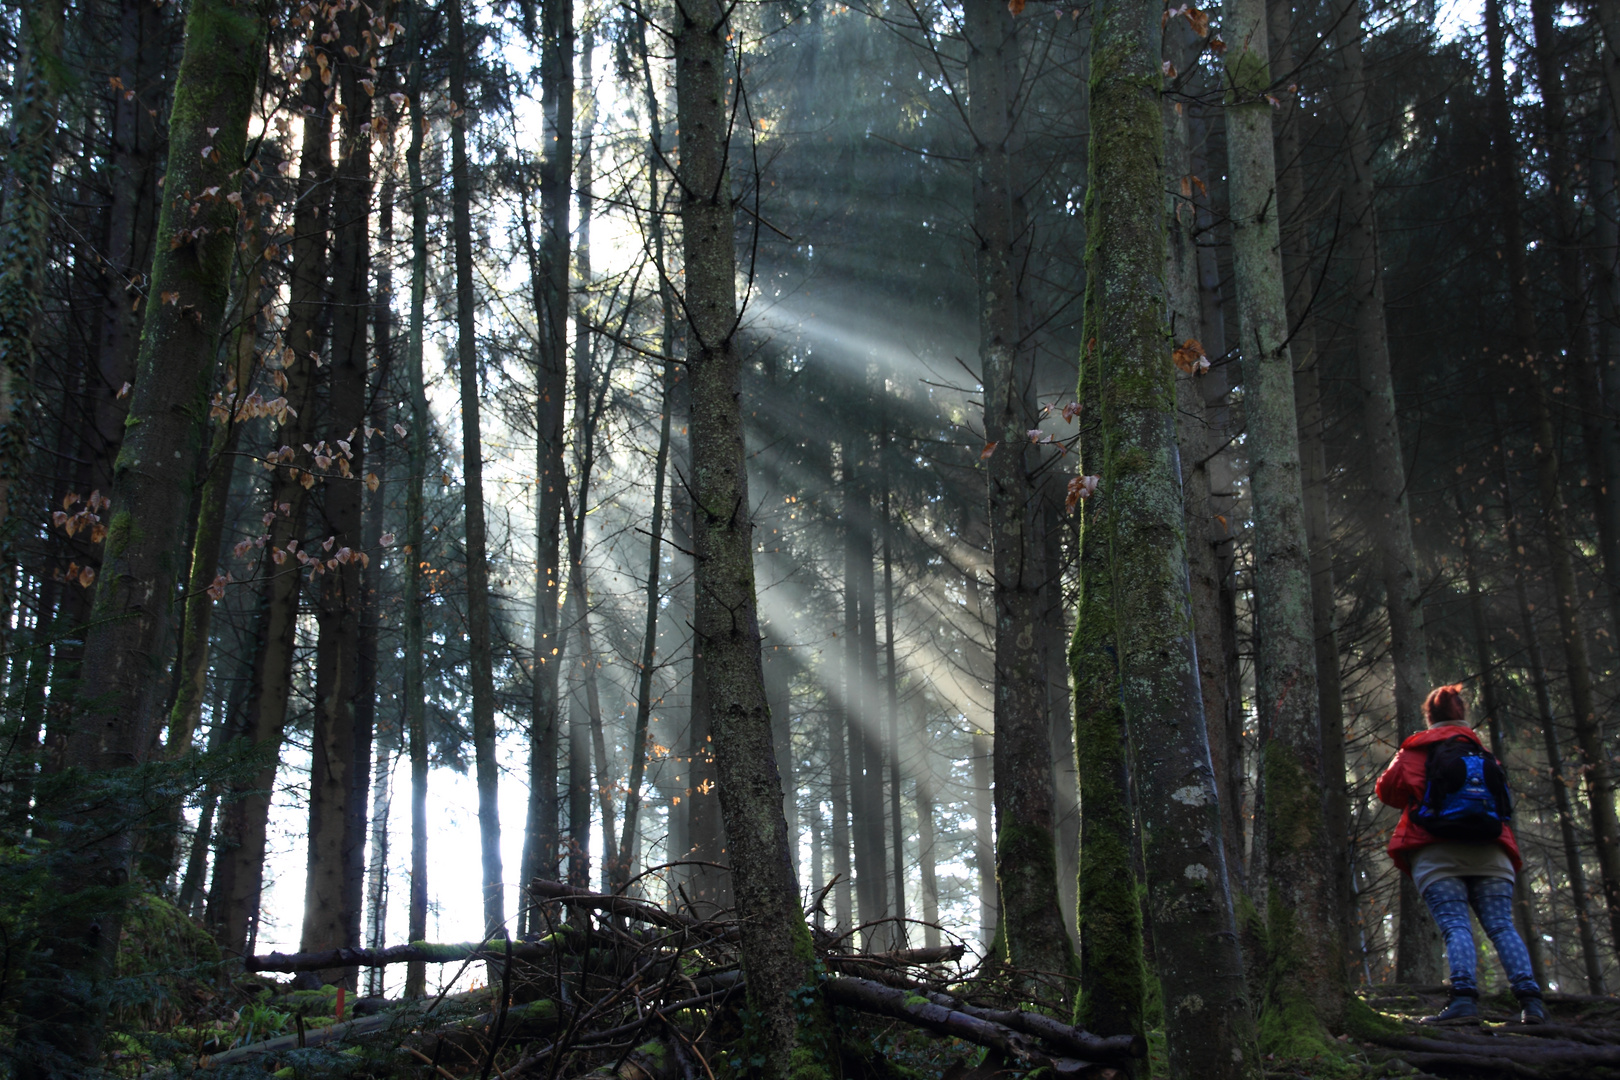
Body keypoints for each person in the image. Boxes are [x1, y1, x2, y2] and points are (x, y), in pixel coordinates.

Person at [1375, 684, 1546, 1026]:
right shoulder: (1484, 755)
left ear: (1429, 716)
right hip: (1491, 852)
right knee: (1501, 925)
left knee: (1456, 926)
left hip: (1437, 853)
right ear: (1462, 714)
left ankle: (1464, 1002)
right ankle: (1532, 1004)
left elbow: (1387, 791)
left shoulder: (1414, 752)